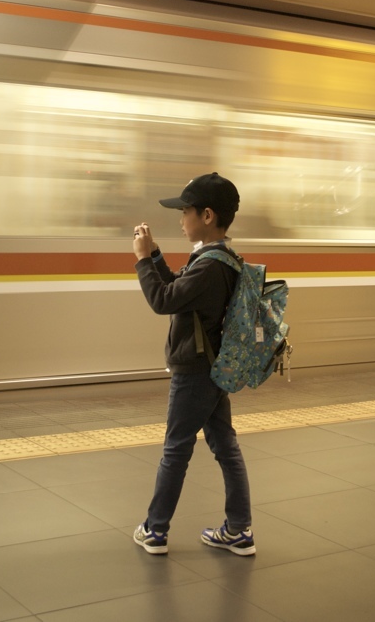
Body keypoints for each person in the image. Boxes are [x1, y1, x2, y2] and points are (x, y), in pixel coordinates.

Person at [131, 172, 256, 556]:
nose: (180, 219)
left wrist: (140, 262)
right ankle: (238, 529)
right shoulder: (218, 259)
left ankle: (155, 530)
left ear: (206, 215)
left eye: (184, 212)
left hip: (196, 373)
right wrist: (154, 255)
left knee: (176, 450)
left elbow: (162, 301)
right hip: (213, 369)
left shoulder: (208, 265)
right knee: (225, 446)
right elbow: (176, 292)